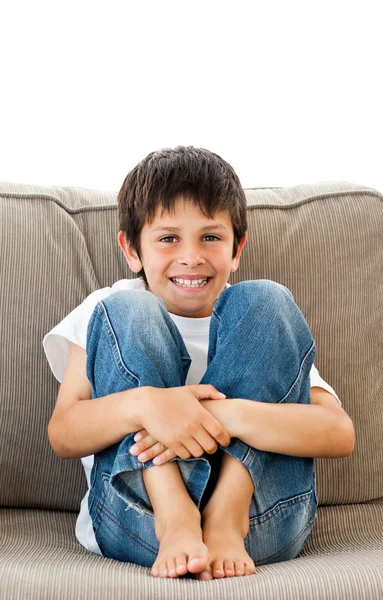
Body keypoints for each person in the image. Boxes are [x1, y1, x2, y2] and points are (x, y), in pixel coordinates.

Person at [43, 145, 355, 581]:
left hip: (257, 523)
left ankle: (226, 512)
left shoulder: (255, 321)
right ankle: (175, 512)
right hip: (141, 519)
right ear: (132, 250)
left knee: (268, 297)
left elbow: (339, 433)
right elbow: (64, 433)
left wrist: (219, 413)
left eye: (210, 237)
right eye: (168, 238)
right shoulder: (111, 311)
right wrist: (146, 405)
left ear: (236, 248)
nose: (191, 255)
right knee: (129, 308)